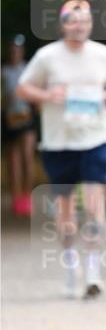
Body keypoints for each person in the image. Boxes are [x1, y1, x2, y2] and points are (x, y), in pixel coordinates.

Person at [16, 0, 106, 299]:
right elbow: (23, 88)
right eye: (73, 21)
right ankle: (71, 267)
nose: (79, 26)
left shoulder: (102, 53)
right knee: (65, 211)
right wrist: (47, 94)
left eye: (84, 21)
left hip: (96, 137)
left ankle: (93, 271)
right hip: (58, 141)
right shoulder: (47, 56)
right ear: (63, 24)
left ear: (90, 23)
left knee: (93, 203)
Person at [2, 34, 37, 217]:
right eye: (12, 49)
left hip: (26, 119)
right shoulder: (3, 71)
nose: (15, 52)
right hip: (8, 119)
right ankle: (17, 197)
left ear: (22, 51)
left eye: (18, 49)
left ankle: (27, 196)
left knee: (27, 156)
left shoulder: (28, 70)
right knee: (13, 160)